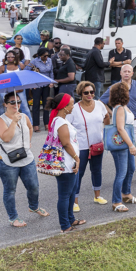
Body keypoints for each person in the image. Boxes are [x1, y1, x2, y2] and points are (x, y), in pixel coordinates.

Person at [0, 92, 49, 228]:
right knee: (10, 190)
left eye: (18, 102)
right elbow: (6, 138)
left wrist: (28, 141)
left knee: (34, 186)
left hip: (26, 157)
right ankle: (13, 217)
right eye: (12, 102)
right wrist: (14, 121)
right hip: (7, 161)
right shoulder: (0, 120)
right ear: (5, 104)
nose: (16, 105)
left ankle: (34, 206)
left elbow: (30, 127)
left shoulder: (24, 116)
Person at [67, 81, 110, 212]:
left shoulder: (99, 104)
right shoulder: (74, 108)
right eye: (86, 93)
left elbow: (107, 117)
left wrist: (106, 131)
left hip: (97, 145)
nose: (90, 95)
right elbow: (67, 126)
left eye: (92, 92)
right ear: (80, 94)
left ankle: (97, 196)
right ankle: (74, 202)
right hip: (81, 147)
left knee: (97, 170)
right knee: (78, 174)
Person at [46, 93, 83, 233]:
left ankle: (71, 219)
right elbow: (66, 143)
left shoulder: (59, 120)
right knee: (65, 195)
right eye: (71, 104)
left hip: (69, 162)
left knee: (71, 192)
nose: (73, 106)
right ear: (64, 107)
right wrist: (77, 158)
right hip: (66, 164)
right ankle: (65, 225)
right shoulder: (60, 122)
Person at [106, 84, 136, 213]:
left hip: (126, 142)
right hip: (121, 145)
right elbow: (120, 128)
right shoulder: (119, 108)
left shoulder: (123, 107)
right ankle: (116, 201)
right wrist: (131, 145)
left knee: (131, 168)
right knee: (121, 173)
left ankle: (126, 193)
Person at [25, 47, 55, 131]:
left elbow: (51, 71)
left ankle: (46, 123)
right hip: (37, 85)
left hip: (46, 84)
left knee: (46, 104)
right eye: (44, 56)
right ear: (39, 55)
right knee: (36, 104)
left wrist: (51, 81)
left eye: (47, 55)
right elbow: (27, 71)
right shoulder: (34, 61)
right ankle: (36, 124)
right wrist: (32, 82)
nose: (46, 57)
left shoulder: (49, 60)